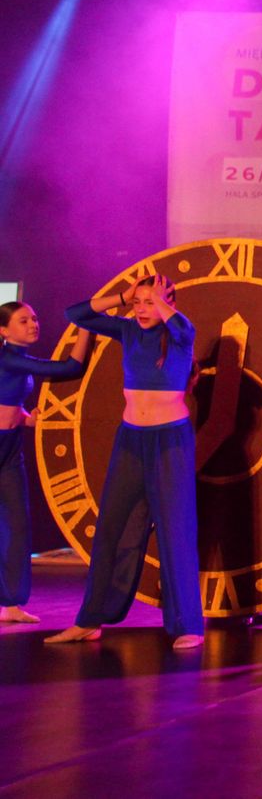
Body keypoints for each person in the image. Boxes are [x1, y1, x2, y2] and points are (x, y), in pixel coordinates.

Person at [47, 276, 203, 649]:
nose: (142, 309)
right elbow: (76, 314)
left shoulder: (179, 334)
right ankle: (90, 620)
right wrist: (122, 296)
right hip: (131, 440)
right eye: (138, 303)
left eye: (151, 302)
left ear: (168, 303)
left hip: (170, 442)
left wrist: (160, 301)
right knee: (111, 529)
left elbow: (184, 328)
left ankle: (188, 626)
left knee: (175, 532)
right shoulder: (128, 330)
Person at [0, 302, 91, 624]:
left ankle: (10, 604)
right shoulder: (9, 358)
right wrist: (86, 327)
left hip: (10, 448)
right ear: (3, 330)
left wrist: (26, 418)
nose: (33, 324)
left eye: (35, 318)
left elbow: (7, 401)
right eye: (23, 320)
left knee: (17, 525)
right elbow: (69, 368)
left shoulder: (17, 359)